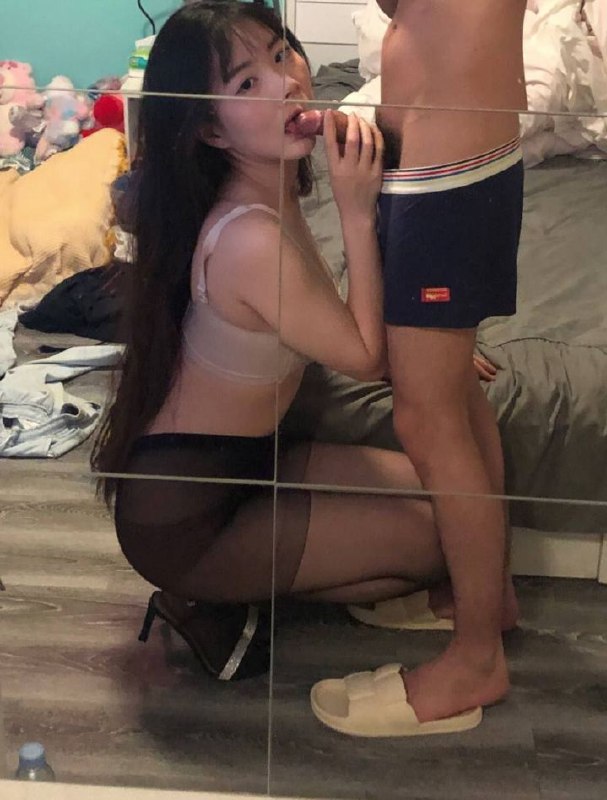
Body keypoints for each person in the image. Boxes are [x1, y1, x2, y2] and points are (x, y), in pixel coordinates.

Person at [91, 0, 462, 682]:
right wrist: (357, 211)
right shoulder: (249, 239)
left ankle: (243, 579)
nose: (287, 82)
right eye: (247, 82)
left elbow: (335, 322)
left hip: (254, 460)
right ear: (210, 129)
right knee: (438, 543)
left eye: (282, 53)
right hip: (188, 518)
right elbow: (365, 356)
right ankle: (202, 593)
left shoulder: (272, 186)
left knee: (445, 496)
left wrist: (433, 340)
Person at [311, 0, 526, 736]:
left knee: (426, 418)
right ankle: (486, 602)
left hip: (451, 175)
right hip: (430, 165)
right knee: (449, 396)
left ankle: (477, 659)